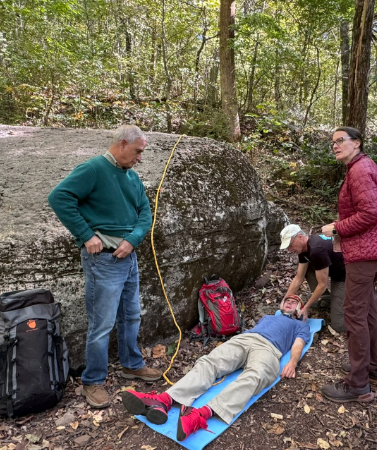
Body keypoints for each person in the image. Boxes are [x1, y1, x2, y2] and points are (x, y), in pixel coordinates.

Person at [48, 125, 161, 409]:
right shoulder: (93, 169)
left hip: (129, 258)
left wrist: (133, 240)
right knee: (102, 324)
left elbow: (145, 212)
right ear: (122, 144)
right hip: (104, 261)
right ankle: (93, 380)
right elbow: (59, 197)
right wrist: (86, 235)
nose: (140, 158)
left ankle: (131, 364)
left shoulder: (132, 177)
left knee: (131, 316)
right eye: (137, 151)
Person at [120, 295, 310, 441]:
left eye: (294, 302)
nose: (289, 302)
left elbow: (298, 344)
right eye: (287, 300)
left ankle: (199, 415)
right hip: (245, 339)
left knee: (256, 375)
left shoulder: (300, 325)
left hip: (269, 349)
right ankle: (163, 401)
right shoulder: (268, 317)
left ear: (300, 309)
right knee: (209, 362)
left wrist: (292, 362)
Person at [320, 126, 377, 403]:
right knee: (367, 312)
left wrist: (337, 227)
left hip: (365, 254)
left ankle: (357, 385)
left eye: (340, 140)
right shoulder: (361, 167)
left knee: (354, 315)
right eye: (333, 142)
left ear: (357, 143)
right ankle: (373, 369)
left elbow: (369, 213)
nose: (335, 145)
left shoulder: (360, 170)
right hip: (371, 253)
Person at [280, 224, 377, 335]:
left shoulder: (316, 250)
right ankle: (329, 301)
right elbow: (298, 277)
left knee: (339, 325)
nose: (289, 249)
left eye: (290, 245)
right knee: (307, 270)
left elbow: (322, 285)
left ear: (300, 237)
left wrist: (306, 307)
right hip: (338, 271)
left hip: (349, 276)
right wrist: (285, 300)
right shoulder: (304, 249)